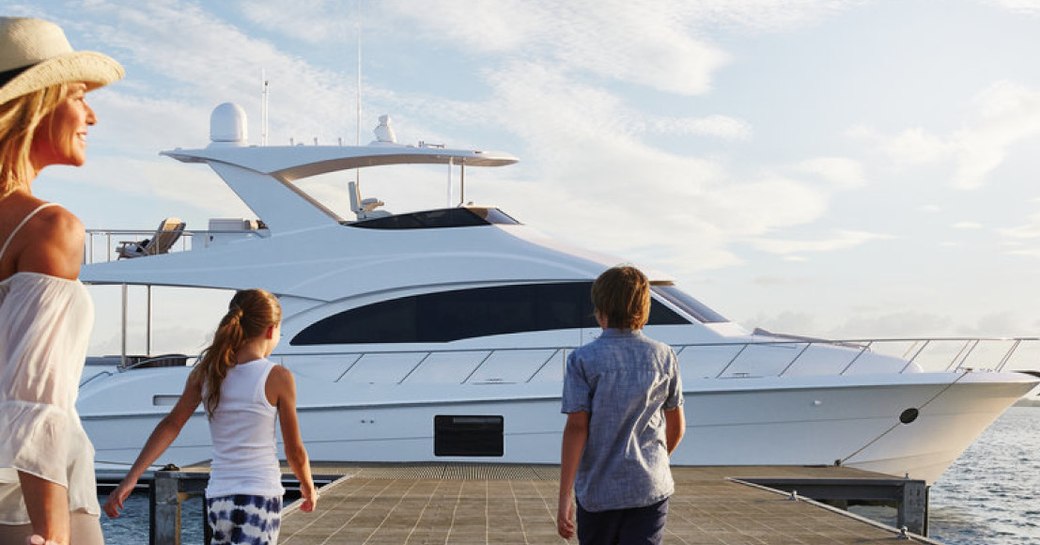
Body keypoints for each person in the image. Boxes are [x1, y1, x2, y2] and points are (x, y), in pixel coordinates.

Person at [0, 16, 124, 545]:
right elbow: (35, 403)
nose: (92, 115)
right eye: (78, 96)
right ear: (36, 104)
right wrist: (51, 536)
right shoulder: (49, 229)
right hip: (23, 510)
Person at [103, 289, 317, 545]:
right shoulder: (277, 377)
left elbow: (171, 425)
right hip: (259, 494)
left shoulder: (207, 373)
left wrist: (132, 477)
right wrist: (307, 486)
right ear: (271, 331)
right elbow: (295, 450)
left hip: (219, 497)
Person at [557, 265, 686, 544]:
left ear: (600, 310)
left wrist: (564, 496)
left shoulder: (583, 360)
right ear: (645, 308)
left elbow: (577, 428)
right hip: (649, 488)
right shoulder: (664, 356)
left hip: (598, 492)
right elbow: (676, 426)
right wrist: (653, 463)